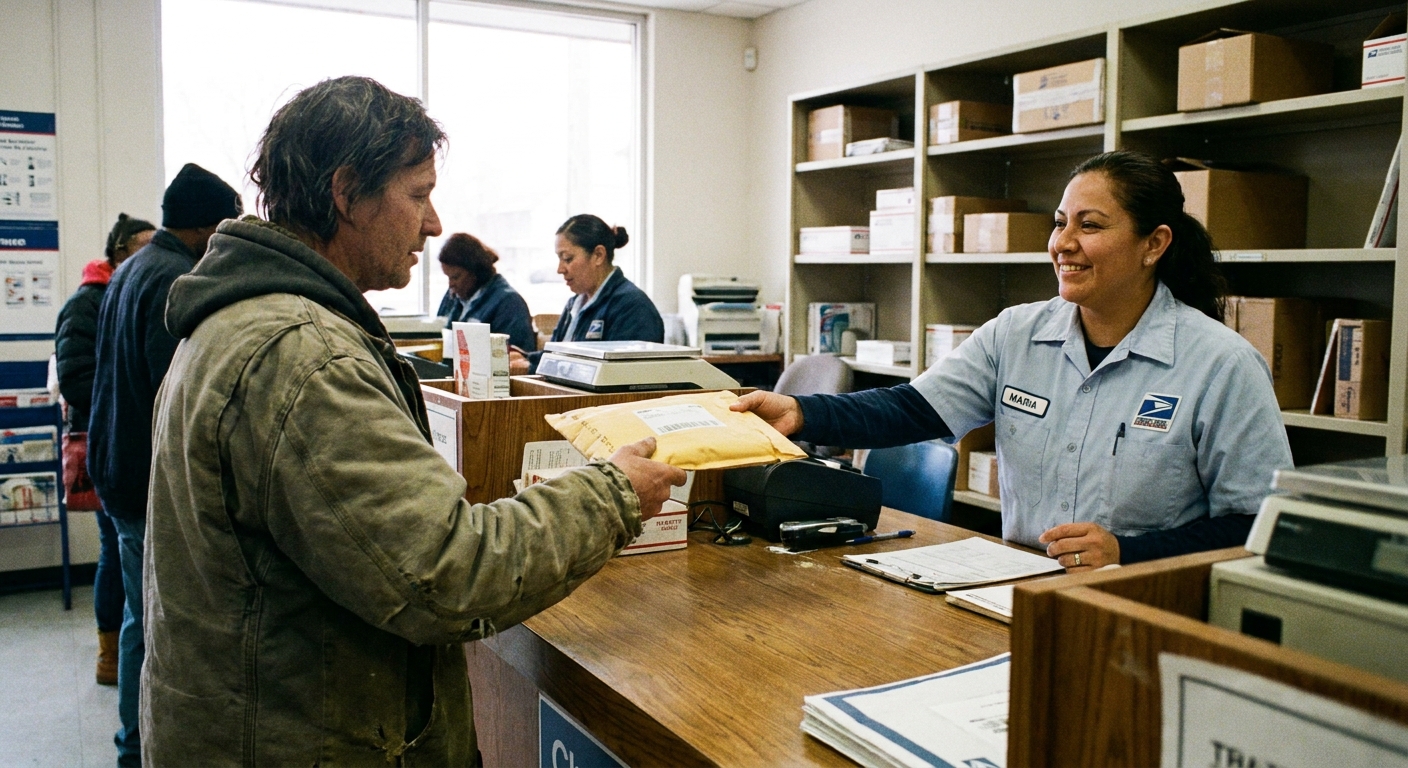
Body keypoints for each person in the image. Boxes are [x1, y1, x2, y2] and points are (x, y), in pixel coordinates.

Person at [141, 75, 684, 765]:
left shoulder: (241, 320)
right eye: (419, 195)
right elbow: (448, 575)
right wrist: (609, 493)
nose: (432, 224)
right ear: (345, 193)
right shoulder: (304, 356)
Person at [734, 150, 1292, 571]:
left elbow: (1260, 525)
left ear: (1154, 244)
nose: (1062, 243)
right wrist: (800, 413)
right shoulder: (1017, 333)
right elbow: (911, 409)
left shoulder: (1222, 365)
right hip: (1018, 585)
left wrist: (1129, 552)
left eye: (1089, 225)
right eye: (1059, 222)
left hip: (1142, 600)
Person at [87, 164, 242, 767]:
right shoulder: (174, 279)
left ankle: (132, 746)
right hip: (143, 478)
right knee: (157, 625)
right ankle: (139, 750)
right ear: (210, 227)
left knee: (136, 616)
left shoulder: (131, 269)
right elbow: (171, 394)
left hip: (115, 466)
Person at [53, 213, 154, 687]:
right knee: (114, 551)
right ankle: (109, 655)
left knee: (119, 549)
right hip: (105, 442)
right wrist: (124, 397)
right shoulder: (87, 304)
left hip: (120, 439)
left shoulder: (125, 294)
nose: (151, 254)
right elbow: (75, 378)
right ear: (117, 255)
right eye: (142, 246)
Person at [510, 214, 664, 374]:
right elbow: (556, 356)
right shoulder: (574, 304)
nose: (560, 269)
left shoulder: (633, 307)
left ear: (598, 255)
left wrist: (531, 367)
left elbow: (617, 375)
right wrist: (526, 359)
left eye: (567, 259)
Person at [434, 231, 535, 351]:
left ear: (475, 271)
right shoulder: (453, 296)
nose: (451, 284)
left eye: (455, 277)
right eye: (448, 277)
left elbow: (515, 358)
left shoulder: (509, 303)